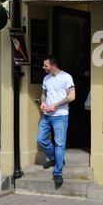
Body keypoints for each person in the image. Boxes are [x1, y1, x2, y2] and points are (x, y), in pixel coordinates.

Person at [36, 55, 76, 185]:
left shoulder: (66, 77)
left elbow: (72, 96)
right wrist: (43, 103)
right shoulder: (46, 78)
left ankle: (58, 172)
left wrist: (56, 105)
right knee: (41, 139)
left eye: (45, 65)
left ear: (53, 66)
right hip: (47, 116)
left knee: (59, 144)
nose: (43, 67)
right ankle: (55, 158)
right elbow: (44, 94)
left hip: (60, 115)